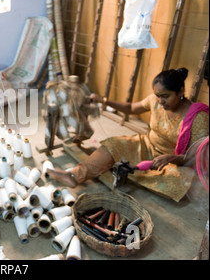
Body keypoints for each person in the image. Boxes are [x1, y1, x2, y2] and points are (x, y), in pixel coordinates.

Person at [46, 68, 209, 202]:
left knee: (180, 182)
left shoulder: (198, 117)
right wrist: (103, 101)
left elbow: (198, 157)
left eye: (165, 96)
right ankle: (73, 175)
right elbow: (131, 108)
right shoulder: (155, 100)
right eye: (158, 96)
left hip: (172, 161)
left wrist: (172, 158)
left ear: (181, 91)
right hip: (146, 144)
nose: (160, 101)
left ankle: (133, 172)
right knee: (112, 145)